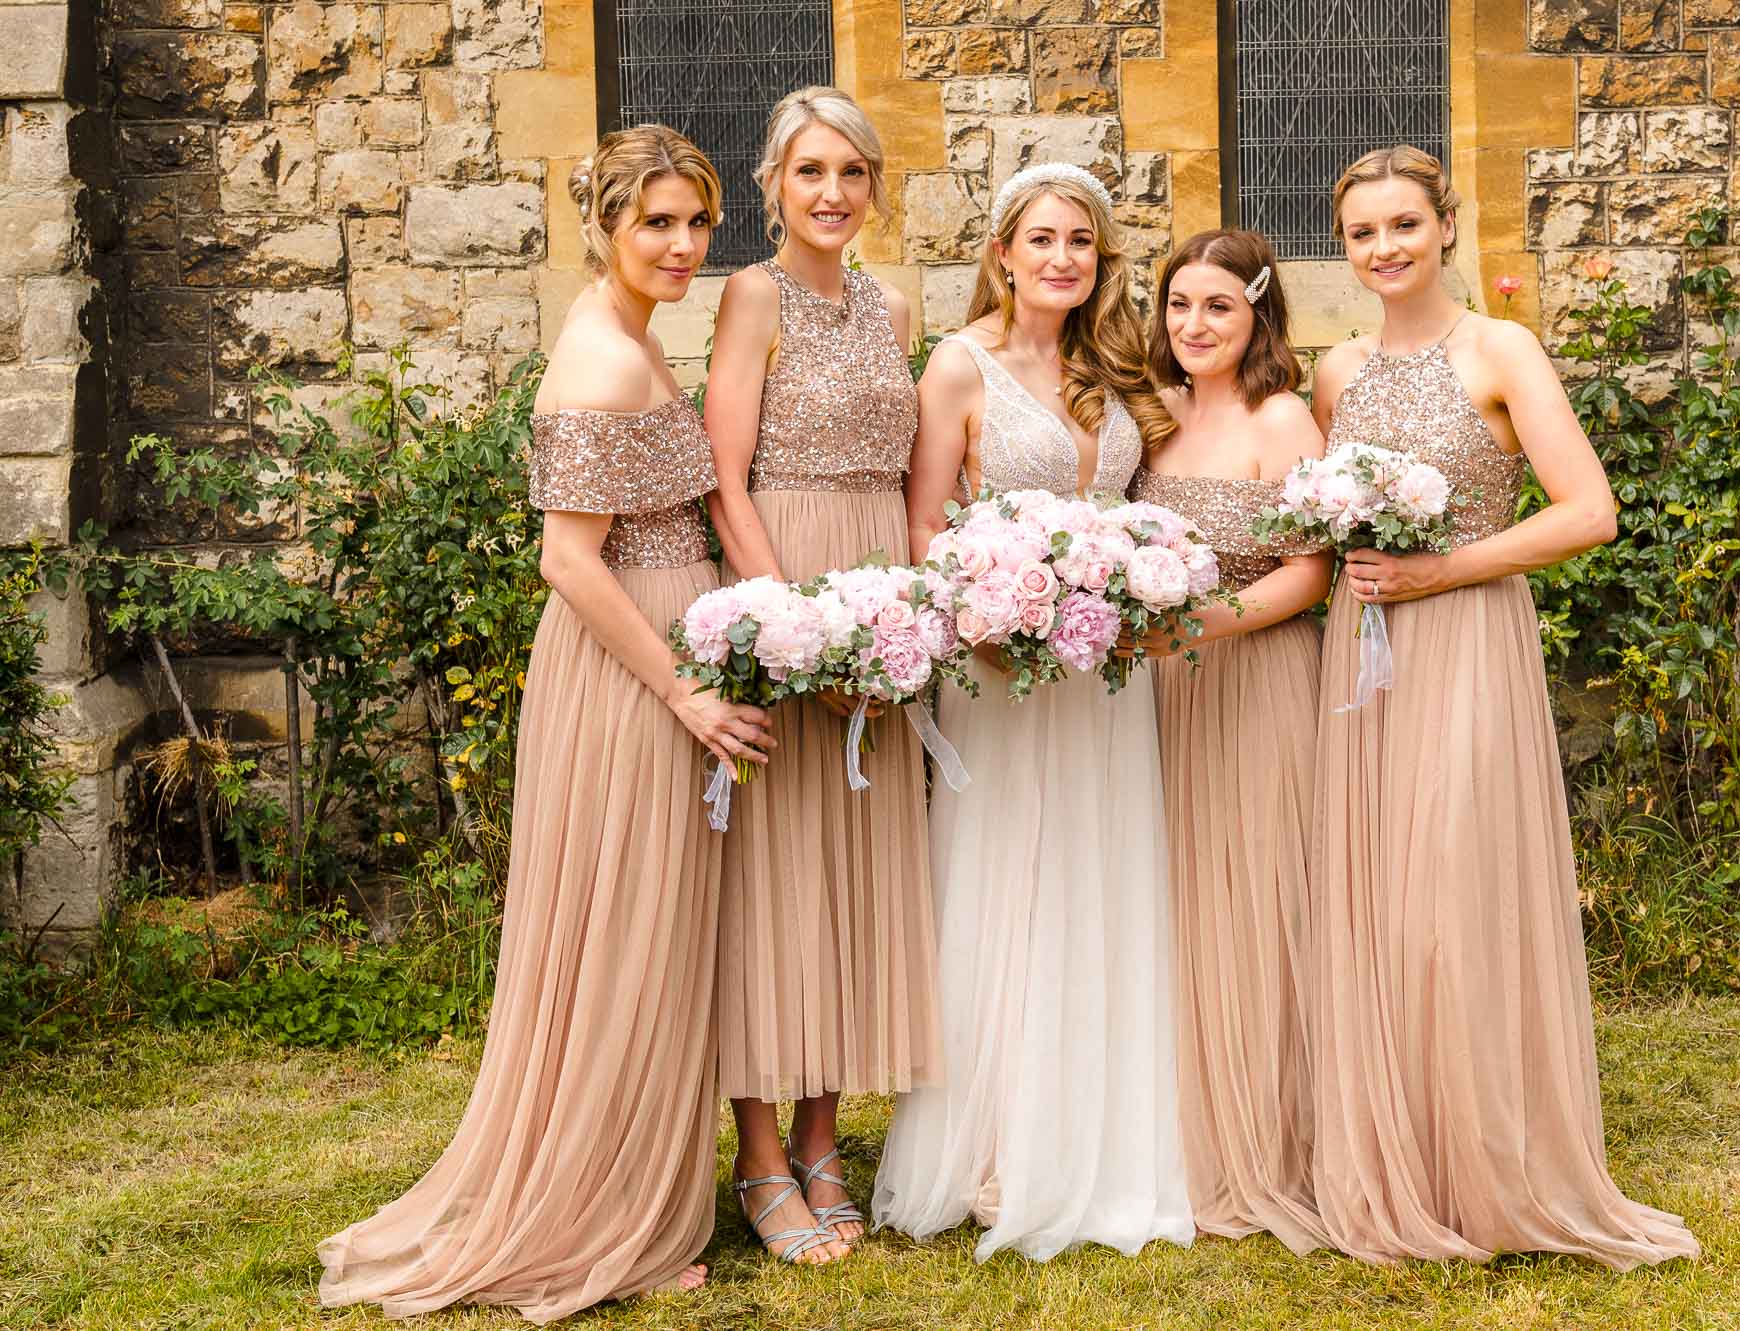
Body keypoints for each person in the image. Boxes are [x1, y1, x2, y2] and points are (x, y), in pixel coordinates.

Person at [317, 125, 775, 1321]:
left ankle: (629, 1179)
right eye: (656, 224)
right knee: (627, 926)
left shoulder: (632, 335)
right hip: (630, 682)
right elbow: (568, 560)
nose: (682, 245)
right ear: (606, 228)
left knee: (651, 927)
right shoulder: (599, 360)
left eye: (696, 221)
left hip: (656, 660)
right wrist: (681, 689)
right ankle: (594, 1210)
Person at [1303, 144, 1699, 1269]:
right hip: (1362, 655)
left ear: (1445, 228)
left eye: (1400, 226)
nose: (1382, 249)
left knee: (1452, 889)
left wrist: (1443, 569)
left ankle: (1489, 1162)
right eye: (1360, 233)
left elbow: (1587, 512)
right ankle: (1396, 1154)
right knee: (1377, 891)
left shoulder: (1499, 347)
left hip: (1466, 638)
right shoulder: (1334, 374)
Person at [873, 161, 1195, 1262]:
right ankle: (994, 1143)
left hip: (1110, 674)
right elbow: (922, 523)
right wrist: (986, 611)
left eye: (1083, 244)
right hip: (1004, 670)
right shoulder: (956, 368)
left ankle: (1102, 1139)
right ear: (1001, 251)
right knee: (1005, 878)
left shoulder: (1118, 367)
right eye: (1043, 240)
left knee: (1103, 880)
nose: (1063, 259)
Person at [702, 86, 939, 1263]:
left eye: (851, 171)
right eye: (810, 172)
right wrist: (798, 633)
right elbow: (724, 475)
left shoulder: (893, 305)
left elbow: (908, 482)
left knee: (854, 872)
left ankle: (826, 1136)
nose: (833, 193)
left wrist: (898, 628)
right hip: (786, 594)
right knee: (773, 874)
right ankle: (756, 1153)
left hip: (878, 589)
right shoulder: (751, 295)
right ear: (772, 185)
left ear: (873, 183)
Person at [1132, 228, 1332, 1253]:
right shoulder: (1149, 418)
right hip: (1159, 692)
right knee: (1170, 898)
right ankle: (1169, 1127)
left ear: (1256, 312)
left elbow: (1310, 570)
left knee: (1256, 896)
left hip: (1255, 678)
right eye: (1177, 305)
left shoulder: (1281, 415)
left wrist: (1208, 620)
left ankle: (1266, 1132)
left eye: (1215, 305)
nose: (1193, 325)